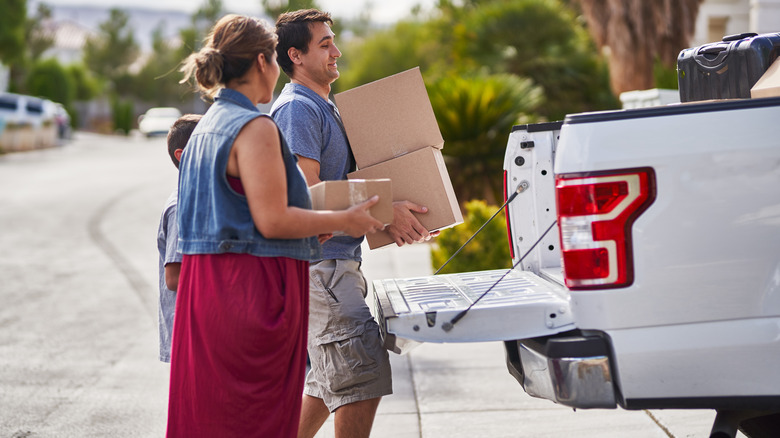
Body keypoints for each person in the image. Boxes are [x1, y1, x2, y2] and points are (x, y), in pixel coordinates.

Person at [166, 14, 384, 438]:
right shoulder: (255, 127)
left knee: (213, 419)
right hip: (250, 297)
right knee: (255, 421)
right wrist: (345, 219)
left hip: (208, 294)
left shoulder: (206, 126)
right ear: (265, 62)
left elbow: (238, 217)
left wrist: (311, 228)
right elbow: (273, 218)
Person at [272, 9, 436, 438]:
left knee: (329, 384)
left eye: (333, 41)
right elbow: (308, 197)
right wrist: (386, 211)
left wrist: (406, 219)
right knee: (361, 379)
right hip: (320, 269)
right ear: (296, 55)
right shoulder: (297, 110)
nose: (336, 51)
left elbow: (342, 184)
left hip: (336, 266)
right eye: (324, 44)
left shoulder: (325, 107)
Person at [156, 113, 201, 364]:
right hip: (190, 331)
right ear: (183, 156)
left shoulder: (201, 197)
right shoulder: (182, 205)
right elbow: (174, 277)